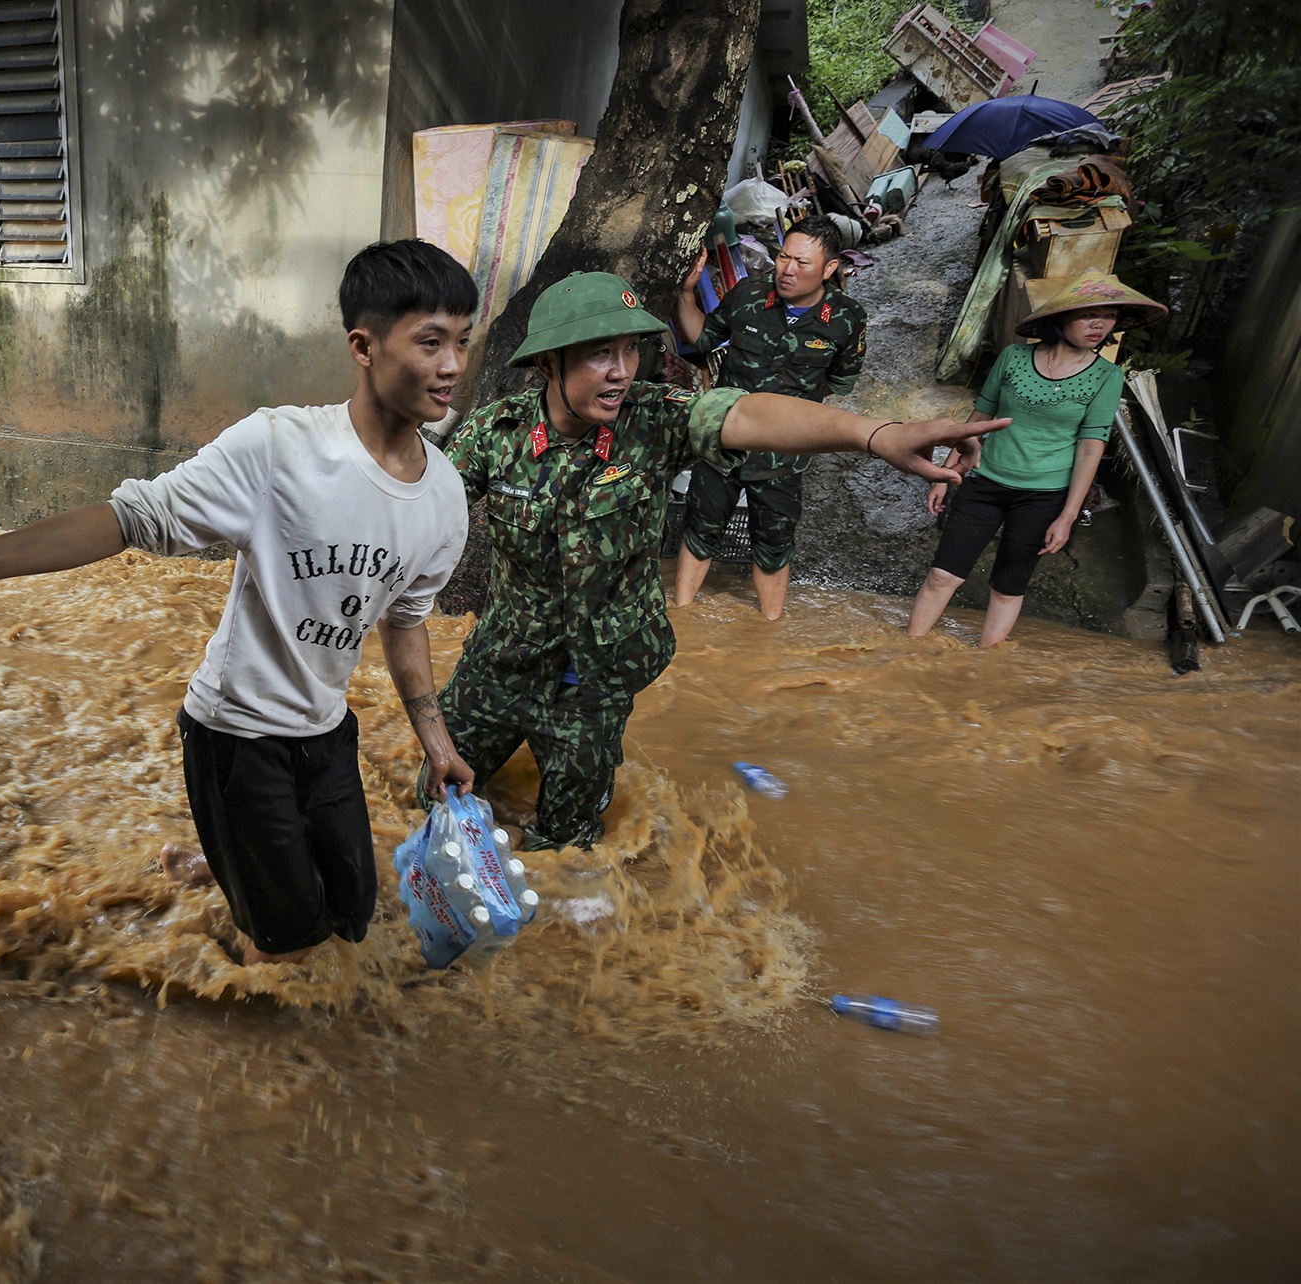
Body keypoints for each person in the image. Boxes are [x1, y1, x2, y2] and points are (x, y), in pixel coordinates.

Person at [0, 241, 478, 967]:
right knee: (290, 951)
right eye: (430, 342)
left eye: (461, 341)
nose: (453, 365)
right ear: (363, 346)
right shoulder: (280, 449)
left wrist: (438, 743)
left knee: (351, 916)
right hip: (236, 735)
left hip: (326, 729)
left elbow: (406, 623)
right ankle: (242, 903)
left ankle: (220, 869)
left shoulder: (445, 498)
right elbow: (128, 519)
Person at [440, 271, 1000, 851]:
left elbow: (751, 415)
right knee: (433, 799)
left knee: (565, 847)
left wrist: (878, 435)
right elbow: (420, 515)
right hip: (500, 666)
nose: (621, 370)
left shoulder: (654, 419)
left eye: (631, 349)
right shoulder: (493, 434)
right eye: (599, 354)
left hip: (591, 683)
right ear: (548, 364)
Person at [908, 269, 1165, 646]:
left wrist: (1068, 515)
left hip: (1044, 496)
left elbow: (1091, 446)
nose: (1100, 324)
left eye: (1109, 316)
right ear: (1061, 318)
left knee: (1008, 586)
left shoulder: (1106, 376)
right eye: (1088, 314)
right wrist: (945, 472)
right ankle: (907, 650)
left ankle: (984, 667)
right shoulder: (1013, 357)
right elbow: (979, 417)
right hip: (984, 480)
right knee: (943, 575)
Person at [670, 216, 868, 619]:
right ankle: (681, 618)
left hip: (783, 457)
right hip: (723, 442)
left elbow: (838, 383)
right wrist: (687, 293)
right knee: (700, 529)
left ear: (830, 268)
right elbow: (703, 337)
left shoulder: (847, 318)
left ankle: (768, 628)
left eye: (802, 263)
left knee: (774, 543)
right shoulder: (749, 294)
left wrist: (789, 411)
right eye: (783, 257)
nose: (787, 270)